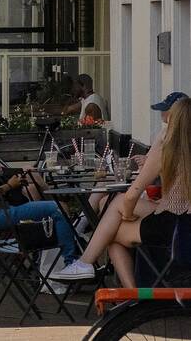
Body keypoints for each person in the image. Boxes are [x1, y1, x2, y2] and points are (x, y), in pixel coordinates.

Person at [54, 99, 191, 286]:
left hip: (171, 224)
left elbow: (133, 194)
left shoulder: (165, 148)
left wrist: (127, 215)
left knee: (112, 232)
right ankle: (87, 265)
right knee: (116, 208)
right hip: (182, 220)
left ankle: (127, 291)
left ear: (173, 120)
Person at [0, 116, 81, 275]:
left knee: (43, 199)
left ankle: (52, 260)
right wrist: (9, 186)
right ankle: (71, 263)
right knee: (58, 209)